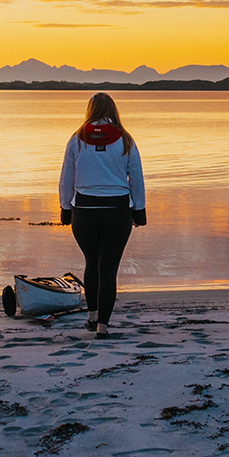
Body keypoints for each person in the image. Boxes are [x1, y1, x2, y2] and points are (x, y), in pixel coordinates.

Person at [58, 93, 146, 338]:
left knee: (91, 263)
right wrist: (139, 211)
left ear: (90, 110)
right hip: (117, 212)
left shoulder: (77, 140)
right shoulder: (125, 140)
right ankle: (103, 327)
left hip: (85, 212)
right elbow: (136, 178)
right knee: (108, 269)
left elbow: (67, 178)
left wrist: (66, 208)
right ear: (114, 110)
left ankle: (92, 316)